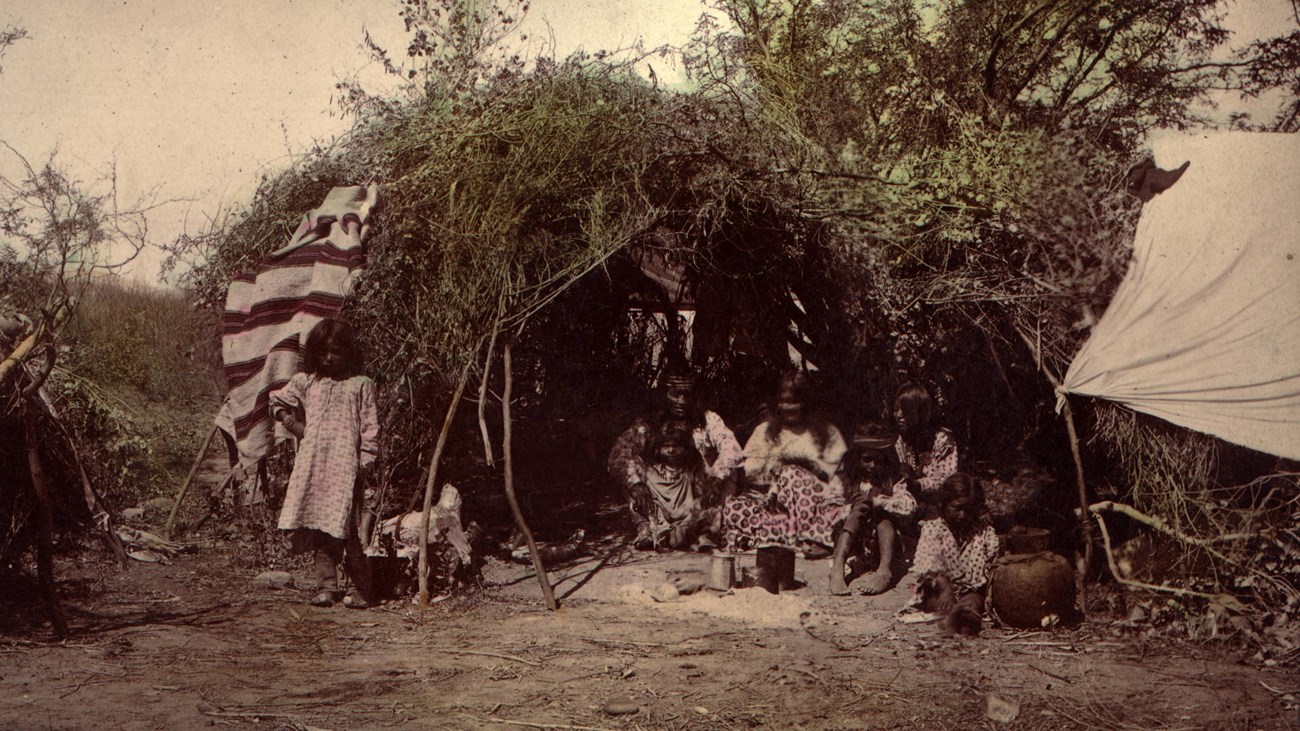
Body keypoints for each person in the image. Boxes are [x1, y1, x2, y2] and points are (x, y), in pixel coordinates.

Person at [269, 318, 380, 608]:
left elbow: (370, 427)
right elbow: (276, 402)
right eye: (323, 352)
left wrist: (365, 462)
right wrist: (293, 424)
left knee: (352, 531)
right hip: (315, 466)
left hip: (347, 468)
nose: (329, 358)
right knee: (320, 527)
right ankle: (326, 587)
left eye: (336, 351)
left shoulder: (361, 385)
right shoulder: (307, 383)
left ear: (348, 352)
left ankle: (361, 590)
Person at [607, 372, 742, 550]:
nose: (682, 400)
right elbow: (619, 453)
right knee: (631, 467)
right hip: (661, 496)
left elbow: (731, 447)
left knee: (731, 469)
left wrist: (717, 477)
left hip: (701, 494)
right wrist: (636, 484)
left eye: (687, 394)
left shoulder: (708, 420)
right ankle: (646, 527)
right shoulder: (649, 423)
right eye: (675, 393)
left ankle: (707, 530)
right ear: (663, 393)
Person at [723, 371, 850, 555]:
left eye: (793, 401)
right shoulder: (765, 431)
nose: (787, 407)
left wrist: (804, 469)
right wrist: (773, 474)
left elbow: (839, 479)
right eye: (782, 401)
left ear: (806, 402)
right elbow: (750, 473)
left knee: (791, 474)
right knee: (734, 509)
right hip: (777, 511)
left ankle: (815, 537)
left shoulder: (826, 432)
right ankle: (787, 539)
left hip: (815, 509)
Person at [906, 473, 1000, 635]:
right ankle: (953, 618)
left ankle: (965, 617)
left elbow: (992, 564)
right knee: (936, 601)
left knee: (974, 600)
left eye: (969, 510)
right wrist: (946, 588)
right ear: (943, 505)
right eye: (957, 508)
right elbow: (930, 565)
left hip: (970, 588)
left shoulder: (984, 532)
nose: (963, 515)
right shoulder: (932, 529)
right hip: (938, 587)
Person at [829, 424, 917, 595]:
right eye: (867, 459)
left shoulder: (894, 480)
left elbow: (909, 506)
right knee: (860, 507)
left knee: (882, 515)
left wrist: (879, 502)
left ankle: (884, 571)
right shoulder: (844, 479)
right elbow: (828, 513)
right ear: (856, 458)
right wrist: (852, 509)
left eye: (879, 461)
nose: (873, 465)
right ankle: (838, 564)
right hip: (854, 543)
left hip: (884, 543)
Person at [893, 383, 959, 516]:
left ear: (919, 412)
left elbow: (946, 481)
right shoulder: (899, 440)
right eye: (896, 409)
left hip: (936, 506)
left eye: (905, 410)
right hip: (905, 503)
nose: (899, 415)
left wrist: (917, 484)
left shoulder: (942, 440)